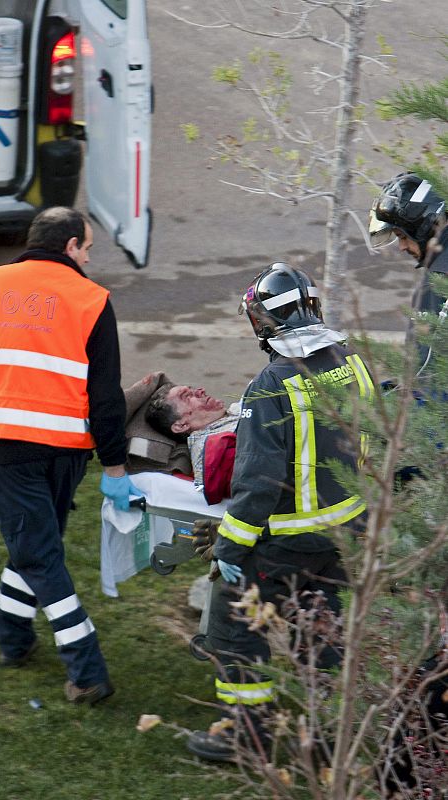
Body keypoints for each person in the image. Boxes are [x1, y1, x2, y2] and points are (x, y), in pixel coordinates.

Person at [0, 206, 141, 705]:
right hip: (66, 452)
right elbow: (105, 396)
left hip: (8, 447)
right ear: (69, 246)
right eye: (88, 248)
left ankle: (87, 671)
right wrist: (115, 467)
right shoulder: (92, 300)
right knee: (38, 546)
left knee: (39, 554)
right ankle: (13, 635)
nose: (88, 258)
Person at [185, 263, 374, 762]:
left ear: (264, 322)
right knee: (323, 630)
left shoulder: (272, 382)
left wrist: (229, 548)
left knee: (235, 621)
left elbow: (257, 483)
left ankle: (246, 736)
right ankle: (331, 739)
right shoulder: (353, 362)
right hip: (346, 534)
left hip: (287, 541)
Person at [368, 173, 448, 369]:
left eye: (402, 236)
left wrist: (406, 385)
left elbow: (426, 367)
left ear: (424, 226)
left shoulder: (437, 285)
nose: (402, 247)